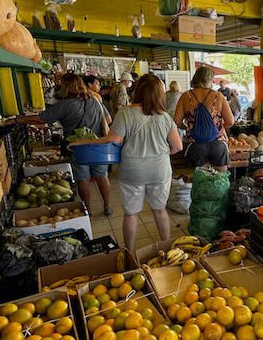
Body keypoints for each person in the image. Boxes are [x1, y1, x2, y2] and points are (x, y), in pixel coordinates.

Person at [71, 74, 183, 252]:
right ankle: (168, 249)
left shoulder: (126, 112)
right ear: (160, 94)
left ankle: (129, 252)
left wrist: (84, 142)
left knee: (131, 214)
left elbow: (113, 140)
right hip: (160, 171)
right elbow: (177, 146)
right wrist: (159, 153)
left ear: (137, 90)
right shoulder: (165, 117)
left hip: (132, 171)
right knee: (160, 211)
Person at [24, 74, 113, 214]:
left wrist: (18, 120)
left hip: (77, 148)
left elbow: (42, 119)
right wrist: (92, 127)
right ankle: (107, 207)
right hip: (98, 145)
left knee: (83, 179)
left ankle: (87, 210)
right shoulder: (95, 100)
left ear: (65, 87)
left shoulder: (64, 105)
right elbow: (108, 120)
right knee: (102, 176)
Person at [173, 66, 234, 171]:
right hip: (218, 143)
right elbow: (230, 121)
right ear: (210, 80)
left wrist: (187, 127)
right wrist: (218, 128)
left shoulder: (185, 96)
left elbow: (177, 121)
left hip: (195, 144)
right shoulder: (218, 96)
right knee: (220, 181)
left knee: (199, 181)